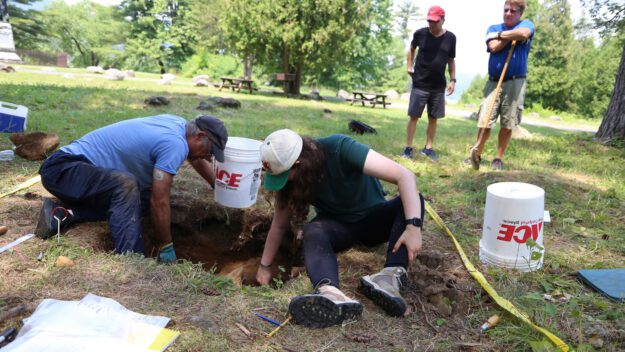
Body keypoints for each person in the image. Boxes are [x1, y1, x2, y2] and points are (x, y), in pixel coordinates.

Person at [256, 129, 425, 328]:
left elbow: (405, 175)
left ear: (299, 165)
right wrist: (264, 267)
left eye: (286, 176)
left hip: (374, 220)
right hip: (337, 227)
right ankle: (330, 294)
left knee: (413, 202)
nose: (285, 183)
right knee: (312, 230)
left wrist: (414, 228)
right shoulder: (293, 180)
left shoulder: (340, 148)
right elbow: (279, 224)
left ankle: (388, 278)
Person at [35, 114, 228, 263]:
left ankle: (66, 213)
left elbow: (196, 158)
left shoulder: (180, 126)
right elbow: (160, 202)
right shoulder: (175, 144)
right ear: (200, 135)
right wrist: (166, 246)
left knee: (142, 198)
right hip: (63, 170)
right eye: (210, 151)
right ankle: (131, 257)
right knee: (128, 185)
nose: (208, 157)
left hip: (82, 176)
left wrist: (216, 185)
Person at [467, 0, 534, 170]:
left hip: (515, 82)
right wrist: (511, 35)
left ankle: (498, 158)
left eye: (513, 11)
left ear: (520, 13)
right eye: (506, 10)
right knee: (484, 120)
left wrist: (502, 35)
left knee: (508, 122)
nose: (508, 13)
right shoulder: (493, 27)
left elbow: (524, 34)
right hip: (493, 82)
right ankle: (477, 153)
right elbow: (494, 46)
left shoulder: (526, 24)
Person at [404, 5, 456, 161]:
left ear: (442, 20)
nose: (431, 24)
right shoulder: (420, 34)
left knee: (433, 118)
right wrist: (409, 65)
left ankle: (428, 148)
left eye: (434, 21)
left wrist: (453, 79)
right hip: (420, 83)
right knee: (414, 116)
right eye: (429, 21)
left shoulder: (451, 38)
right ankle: (408, 148)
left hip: (438, 86)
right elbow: (411, 49)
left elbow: (451, 60)